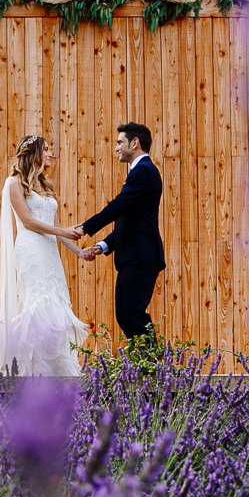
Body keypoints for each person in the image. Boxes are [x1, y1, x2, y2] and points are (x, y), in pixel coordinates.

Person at [0, 135, 90, 377]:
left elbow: (55, 225)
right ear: (33, 153)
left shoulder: (46, 185)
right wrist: (61, 231)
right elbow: (28, 221)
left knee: (55, 305)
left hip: (49, 253)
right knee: (36, 304)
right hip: (31, 250)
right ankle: (30, 370)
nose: (50, 154)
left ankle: (54, 368)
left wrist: (78, 251)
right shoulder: (14, 183)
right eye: (46, 149)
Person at [70, 122, 164, 341]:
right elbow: (129, 218)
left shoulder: (144, 171)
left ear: (135, 142)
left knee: (133, 312)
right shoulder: (140, 172)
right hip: (132, 256)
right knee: (124, 314)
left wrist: (85, 227)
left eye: (120, 142)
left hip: (141, 256)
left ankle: (154, 368)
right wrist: (104, 245)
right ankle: (146, 365)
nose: (116, 148)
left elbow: (118, 206)